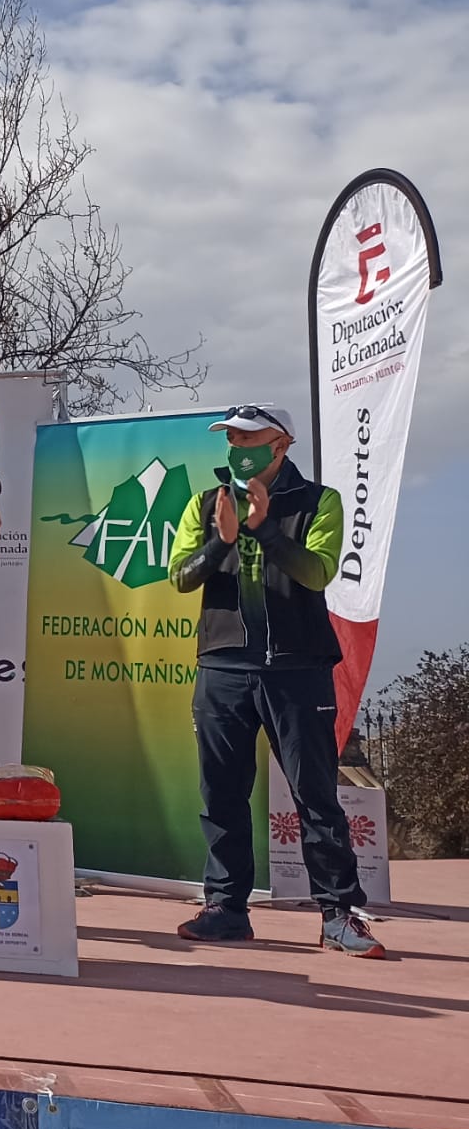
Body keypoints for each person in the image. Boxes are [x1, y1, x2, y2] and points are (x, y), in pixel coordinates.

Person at [168, 403, 382, 958]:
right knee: (221, 795)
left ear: (281, 445)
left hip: (298, 669)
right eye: (232, 440)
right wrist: (222, 539)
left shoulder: (319, 501)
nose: (239, 449)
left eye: (250, 439)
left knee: (316, 795)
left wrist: (263, 529)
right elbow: (180, 577)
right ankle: (225, 909)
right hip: (223, 668)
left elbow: (317, 571)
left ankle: (338, 913)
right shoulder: (205, 502)